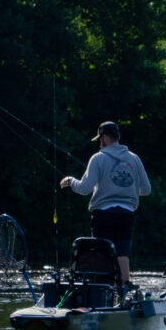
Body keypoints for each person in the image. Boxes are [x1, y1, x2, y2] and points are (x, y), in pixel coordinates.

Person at [60, 121, 151, 287]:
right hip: (126, 213)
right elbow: (146, 189)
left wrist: (70, 181)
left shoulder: (98, 158)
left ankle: (102, 289)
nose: (99, 143)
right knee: (122, 252)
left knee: (101, 252)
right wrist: (124, 190)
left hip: (102, 213)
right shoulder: (134, 159)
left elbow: (84, 189)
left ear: (106, 138)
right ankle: (124, 288)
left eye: (100, 139)